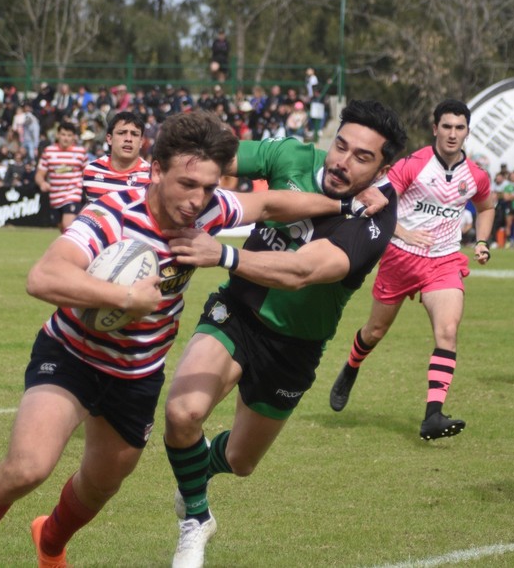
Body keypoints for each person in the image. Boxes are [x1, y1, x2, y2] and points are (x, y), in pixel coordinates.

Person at [0, 110, 372, 568]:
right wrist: (121, 296)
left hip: (136, 376)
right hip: (73, 356)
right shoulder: (113, 216)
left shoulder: (208, 212)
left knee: (99, 488)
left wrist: (344, 204)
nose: (196, 200)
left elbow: (268, 202)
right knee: (29, 466)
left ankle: (50, 543)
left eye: (206, 187)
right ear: (155, 170)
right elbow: (43, 276)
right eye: (186, 184)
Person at [162, 99, 407, 568]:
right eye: (341, 146)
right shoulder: (291, 157)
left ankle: (199, 472)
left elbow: (304, 271)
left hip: (296, 344)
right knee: (182, 413)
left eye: (362, 157)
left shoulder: (377, 217)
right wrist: (174, 152)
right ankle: (196, 520)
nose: (342, 161)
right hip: (238, 309)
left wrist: (225, 254)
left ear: (383, 169)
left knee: (241, 461)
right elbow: (217, 158)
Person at [330, 99, 495, 441]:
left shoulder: (476, 175)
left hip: (445, 261)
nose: (452, 134)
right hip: (400, 258)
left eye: (459, 127)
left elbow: (486, 205)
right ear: (435, 129)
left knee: (447, 331)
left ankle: (432, 416)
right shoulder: (412, 165)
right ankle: (351, 367)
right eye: (446, 126)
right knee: (374, 332)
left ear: (467, 131)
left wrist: (481, 241)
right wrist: (402, 232)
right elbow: (374, 201)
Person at [82, 111, 151, 204]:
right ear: (109, 139)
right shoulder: (91, 171)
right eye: (122, 133)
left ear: (141, 141)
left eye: (134, 134)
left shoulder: (151, 176)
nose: (128, 139)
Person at [35, 121, 88, 233]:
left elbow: (87, 174)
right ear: (57, 135)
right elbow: (40, 174)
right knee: (62, 229)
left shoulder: (80, 152)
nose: (66, 138)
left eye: (69, 135)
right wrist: (42, 183)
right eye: (63, 134)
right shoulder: (49, 151)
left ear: (74, 137)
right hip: (55, 197)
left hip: (73, 195)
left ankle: (73, 250)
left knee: (68, 226)